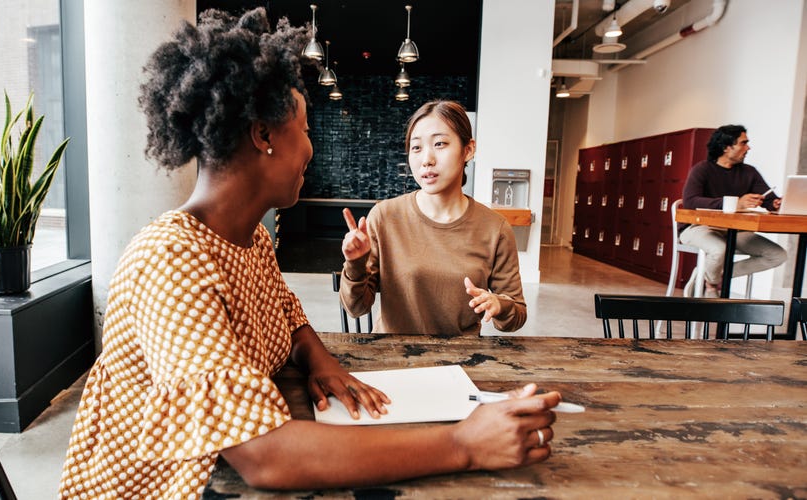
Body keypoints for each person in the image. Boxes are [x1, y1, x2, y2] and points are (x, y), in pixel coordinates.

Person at [58, 9, 560, 499]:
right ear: (263, 136)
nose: (311, 149)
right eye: (305, 131)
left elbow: (288, 316)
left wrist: (322, 361)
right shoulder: (170, 259)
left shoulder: (250, 239)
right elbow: (266, 456)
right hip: (163, 485)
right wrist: (464, 444)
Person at [339, 100, 526, 335]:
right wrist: (355, 264)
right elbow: (356, 308)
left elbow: (516, 315)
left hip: (460, 355)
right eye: (416, 147)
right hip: (394, 353)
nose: (427, 159)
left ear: (468, 150)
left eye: (440, 144)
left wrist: (499, 305)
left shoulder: (495, 228)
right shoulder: (385, 216)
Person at [679, 124, 786, 297]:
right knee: (719, 249)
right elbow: (690, 202)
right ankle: (711, 285)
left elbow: (768, 199)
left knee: (777, 255)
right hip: (698, 227)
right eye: (743, 143)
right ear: (726, 147)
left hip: (735, 231)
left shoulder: (749, 172)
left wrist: (775, 203)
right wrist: (736, 204)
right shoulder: (702, 169)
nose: (748, 148)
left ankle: (711, 277)